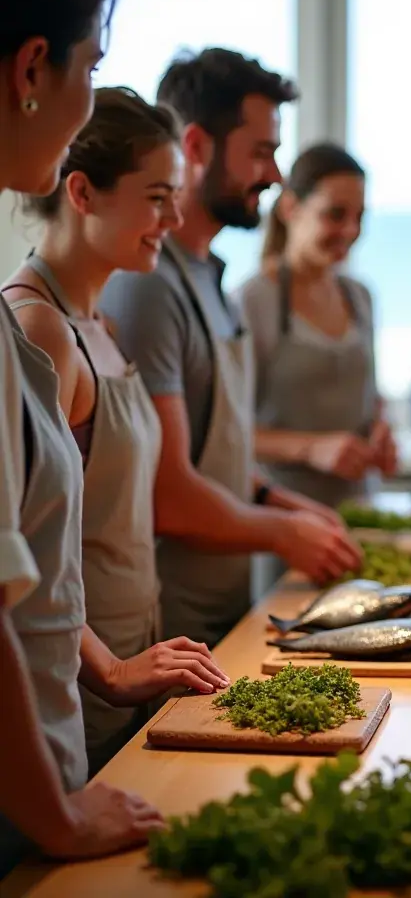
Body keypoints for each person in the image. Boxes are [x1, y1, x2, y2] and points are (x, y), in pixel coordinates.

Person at [0, 0, 164, 874]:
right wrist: (56, 819)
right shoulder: (30, 324)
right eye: (88, 67)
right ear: (31, 67)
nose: (85, 99)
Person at [4, 88, 232, 778]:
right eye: (157, 196)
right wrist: (109, 669)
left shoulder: (99, 324)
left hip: (136, 665)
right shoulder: (40, 328)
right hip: (78, 688)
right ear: (82, 193)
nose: (175, 218)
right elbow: (25, 552)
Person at [99, 49, 361, 649]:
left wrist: (280, 502)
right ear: (195, 146)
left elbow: (214, 454)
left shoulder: (208, 277)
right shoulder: (147, 284)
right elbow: (168, 493)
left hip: (226, 612)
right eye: (262, 153)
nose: (273, 175)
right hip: (166, 627)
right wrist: (284, 533)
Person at [237, 143, 397, 508]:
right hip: (281, 516)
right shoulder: (253, 301)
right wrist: (311, 449)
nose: (351, 230)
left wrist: (381, 433)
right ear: (290, 208)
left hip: (360, 510)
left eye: (360, 217)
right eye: (335, 214)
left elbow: (369, 399)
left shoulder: (359, 297)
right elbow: (228, 434)